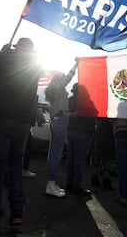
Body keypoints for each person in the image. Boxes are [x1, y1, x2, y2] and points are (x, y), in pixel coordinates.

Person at [0, 37, 42, 236]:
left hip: (4, 118)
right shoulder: (35, 64)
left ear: (17, 46)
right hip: (22, 123)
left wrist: (2, 51)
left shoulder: (8, 55)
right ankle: (17, 211)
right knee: (15, 167)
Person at [44, 60, 78, 198]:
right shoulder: (59, 88)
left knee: (53, 153)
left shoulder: (55, 91)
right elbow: (68, 77)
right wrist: (76, 65)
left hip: (56, 122)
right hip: (60, 124)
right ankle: (50, 184)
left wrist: (70, 114)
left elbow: (59, 111)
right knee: (55, 154)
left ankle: (52, 183)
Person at [65, 83, 95, 197]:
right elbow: (93, 116)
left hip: (71, 130)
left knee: (71, 158)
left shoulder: (71, 100)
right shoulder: (88, 101)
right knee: (79, 161)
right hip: (83, 133)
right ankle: (77, 185)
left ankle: (69, 184)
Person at [91, 117, 116, 191]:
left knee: (97, 156)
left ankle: (95, 177)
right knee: (106, 158)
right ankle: (106, 180)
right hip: (108, 134)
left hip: (99, 132)